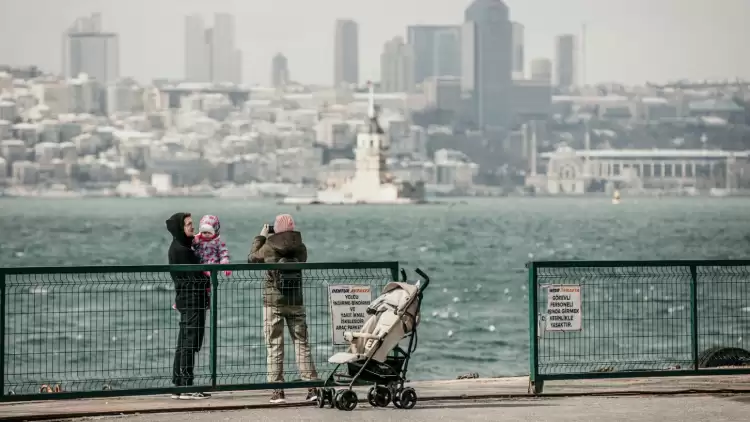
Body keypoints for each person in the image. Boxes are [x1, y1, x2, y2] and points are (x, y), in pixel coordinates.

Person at [248, 213, 318, 404]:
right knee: (301, 343)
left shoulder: (269, 246)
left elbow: (252, 258)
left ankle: (277, 391)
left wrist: (261, 237)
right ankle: (312, 388)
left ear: (276, 228)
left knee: (274, 345)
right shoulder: (300, 247)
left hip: (273, 301)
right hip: (296, 301)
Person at [165, 212, 211, 400]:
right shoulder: (182, 250)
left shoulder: (182, 246)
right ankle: (186, 385)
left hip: (188, 299)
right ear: (180, 228)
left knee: (184, 341)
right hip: (192, 300)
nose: (193, 227)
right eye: (189, 224)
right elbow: (196, 277)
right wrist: (208, 273)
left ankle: (179, 383)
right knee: (190, 342)